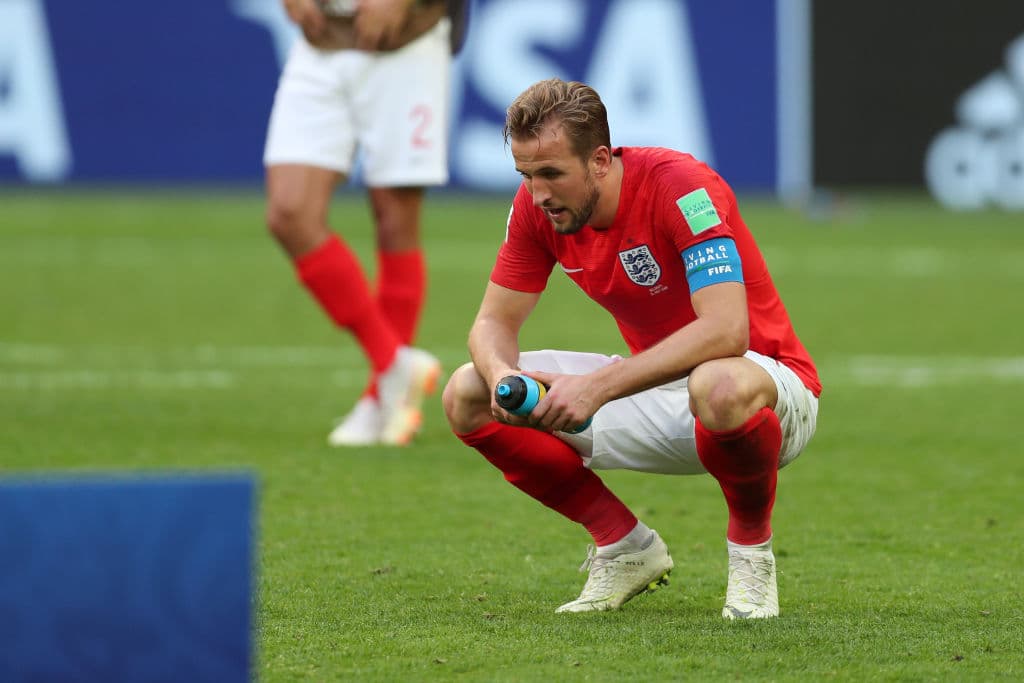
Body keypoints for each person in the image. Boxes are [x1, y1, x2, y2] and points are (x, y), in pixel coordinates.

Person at [442, 79, 821, 618]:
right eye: (526, 176)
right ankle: (624, 546)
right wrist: (504, 375)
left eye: (552, 174)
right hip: (659, 393)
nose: (538, 193)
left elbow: (726, 331)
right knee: (468, 392)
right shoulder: (536, 210)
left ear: (599, 160)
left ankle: (751, 556)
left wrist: (596, 387)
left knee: (717, 382)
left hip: (768, 392)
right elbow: (491, 322)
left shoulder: (681, 186)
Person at [263, 0, 468, 446]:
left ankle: (381, 400)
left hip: (404, 43)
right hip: (321, 42)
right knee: (289, 212)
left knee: (394, 218)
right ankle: (394, 365)